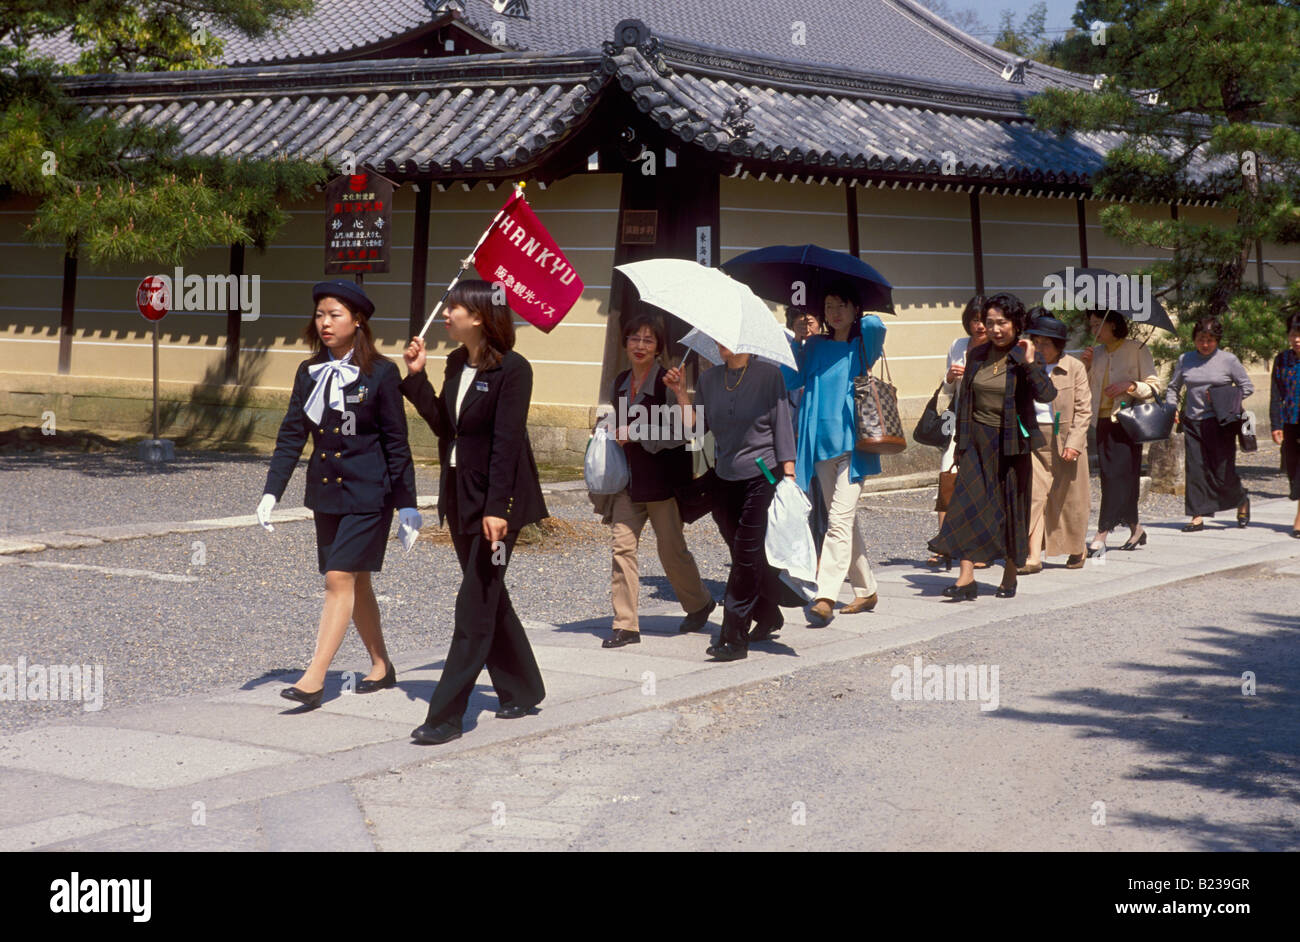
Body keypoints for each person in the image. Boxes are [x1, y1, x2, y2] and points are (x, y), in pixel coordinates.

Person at [259, 281, 421, 710]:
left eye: (334, 315)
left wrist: (408, 502)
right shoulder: (309, 371)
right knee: (356, 580)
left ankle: (313, 680)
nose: (325, 323)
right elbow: (293, 433)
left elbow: (396, 442)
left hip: (370, 493)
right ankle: (382, 666)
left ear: (357, 320)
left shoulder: (381, 373)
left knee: (338, 579)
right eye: (320, 315)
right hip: (327, 492)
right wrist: (271, 492)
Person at [399, 280, 547, 745]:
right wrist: (416, 377)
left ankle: (446, 715)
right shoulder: (455, 363)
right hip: (460, 497)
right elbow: (446, 427)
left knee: (474, 603)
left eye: (454, 308)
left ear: (480, 316)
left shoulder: (514, 371)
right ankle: (523, 688)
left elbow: (506, 443)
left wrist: (498, 508)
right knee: (488, 595)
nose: (446, 315)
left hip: (497, 504)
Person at [664, 344, 796, 661]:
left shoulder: (769, 376)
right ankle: (768, 615)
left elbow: (782, 425)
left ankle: (734, 638)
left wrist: (789, 476)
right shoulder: (710, 379)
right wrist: (681, 393)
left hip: (762, 475)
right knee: (743, 553)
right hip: (724, 477)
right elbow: (696, 429)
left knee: (745, 558)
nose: (722, 345)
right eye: (718, 339)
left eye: (728, 340)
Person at [927, 293, 1057, 600]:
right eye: (990, 322)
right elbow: (966, 400)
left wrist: (1028, 364)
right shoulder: (978, 354)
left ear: (1016, 323)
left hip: (1012, 443)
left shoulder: (1028, 353)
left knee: (1010, 507)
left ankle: (1010, 573)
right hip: (976, 440)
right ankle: (966, 578)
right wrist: (960, 442)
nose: (995, 329)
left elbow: (1046, 395)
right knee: (966, 504)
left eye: (1002, 322)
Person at [599, 314, 715, 649]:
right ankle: (626, 625)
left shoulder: (667, 381)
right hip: (629, 480)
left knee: (671, 551)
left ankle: (699, 603)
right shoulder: (620, 381)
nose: (640, 346)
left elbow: (683, 432)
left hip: (663, 482)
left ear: (658, 348)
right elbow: (619, 421)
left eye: (648, 340)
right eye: (635, 338)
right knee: (622, 547)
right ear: (625, 342)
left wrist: (634, 432)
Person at [781, 281, 886, 625]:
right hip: (819, 448)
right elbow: (789, 379)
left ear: (854, 309)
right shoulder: (815, 346)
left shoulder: (861, 346)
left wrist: (861, 310)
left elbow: (876, 326)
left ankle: (825, 594)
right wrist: (798, 341)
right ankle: (867, 590)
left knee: (837, 523)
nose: (834, 312)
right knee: (846, 523)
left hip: (854, 448)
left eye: (842, 305)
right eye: (828, 306)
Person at [1080, 309, 1162, 554]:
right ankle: (1136, 528)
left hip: (1127, 422)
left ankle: (1102, 531)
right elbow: (1084, 388)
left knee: (1118, 477)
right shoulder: (1096, 354)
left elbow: (1154, 386)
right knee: (1112, 478)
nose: (1094, 330)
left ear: (1113, 325)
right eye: (1091, 326)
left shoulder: (1136, 349)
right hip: (1102, 422)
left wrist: (1130, 385)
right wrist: (1084, 366)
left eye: (1098, 324)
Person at [1165, 316, 1254, 531]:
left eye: (1210, 340)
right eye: (1201, 339)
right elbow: (1172, 388)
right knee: (1195, 470)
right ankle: (1197, 516)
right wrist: (1172, 407)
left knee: (1223, 471)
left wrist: (1223, 396)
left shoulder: (1228, 360)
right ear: (1194, 339)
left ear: (1217, 340)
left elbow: (1247, 387)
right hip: (1193, 422)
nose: (1205, 345)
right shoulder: (1185, 359)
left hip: (1221, 423)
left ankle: (1241, 499)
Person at [1023, 314, 1092, 571]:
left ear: (1059, 346)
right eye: (1036, 342)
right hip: (1034, 438)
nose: (1040, 349)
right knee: (1034, 495)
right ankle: (1033, 556)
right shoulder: (1026, 366)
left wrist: (1074, 442)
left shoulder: (1074, 367)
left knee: (1070, 498)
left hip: (1065, 438)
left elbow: (1084, 410)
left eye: (1046, 344)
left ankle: (1077, 548)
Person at [929, 295, 987, 568]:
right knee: (947, 477)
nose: (980, 326)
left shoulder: (999, 348)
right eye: (975, 320)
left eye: (985, 320)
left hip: (987, 423)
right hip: (959, 420)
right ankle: (944, 543)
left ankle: (979, 547)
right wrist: (950, 377)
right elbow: (949, 390)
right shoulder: (958, 345)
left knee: (981, 484)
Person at [1270, 312, 1300, 537]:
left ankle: (1299, 519)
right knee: (1291, 466)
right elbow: (1275, 393)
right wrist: (1275, 423)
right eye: (1293, 334)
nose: (1296, 339)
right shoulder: (1282, 359)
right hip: (1290, 420)